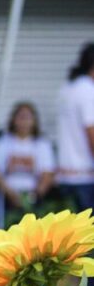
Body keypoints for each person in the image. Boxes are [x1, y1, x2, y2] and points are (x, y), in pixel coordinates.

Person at [0, 101, 55, 226]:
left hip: (32, 196)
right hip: (7, 196)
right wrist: (9, 192)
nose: (24, 122)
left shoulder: (41, 144)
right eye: (21, 117)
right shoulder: (4, 142)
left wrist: (35, 195)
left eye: (28, 118)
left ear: (34, 121)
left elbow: (48, 173)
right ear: (13, 120)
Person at [57, 43, 94, 211]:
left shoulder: (67, 88)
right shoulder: (88, 91)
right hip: (85, 176)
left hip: (66, 175)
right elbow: (91, 133)